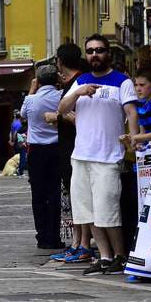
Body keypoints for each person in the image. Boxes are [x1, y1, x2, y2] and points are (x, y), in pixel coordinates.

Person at [58, 34, 139, 276]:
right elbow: (62, 110)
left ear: (108, 54)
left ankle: (121, 256)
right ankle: (104, 256)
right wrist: (78, 92)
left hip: (108, 156)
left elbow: (131, 112)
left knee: (108, 211)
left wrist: (132, 140)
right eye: (90, 51)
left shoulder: (122, 82)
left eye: (100, 50)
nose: (95, 55)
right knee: (87, 211)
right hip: (81, 156)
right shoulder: (80, 81)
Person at [46, 43, 93, 263]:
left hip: (75, 147)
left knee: (78, 197)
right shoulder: (76, 82)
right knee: (75, 196)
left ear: (60, 61)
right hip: (70, 146)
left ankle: (81, 244)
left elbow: (77, 117)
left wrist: (56, 116)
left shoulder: (77, 83)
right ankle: (78, 243)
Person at [22, 65, 63, 251]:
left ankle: (42, 236)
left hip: (36, 151)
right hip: (56, 148)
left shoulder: (31, 99)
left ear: (38, 81)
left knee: (38, 194)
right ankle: (54, 235)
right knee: (54, 192)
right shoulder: (62, 96)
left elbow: (23, 115)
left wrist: (31, 90)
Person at [9, 111, 26, 177]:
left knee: (19, 157)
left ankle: (18, 170)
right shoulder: (19, 124)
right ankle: (20, 171)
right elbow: (16, 133)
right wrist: (14, 141)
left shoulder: (13, 123)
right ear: (20, 118)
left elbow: (11, 132)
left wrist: (11, 141)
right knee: (22, 157)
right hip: (19, 142)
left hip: (16, 142)